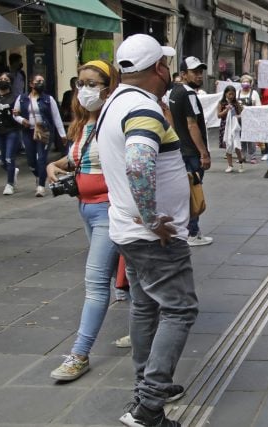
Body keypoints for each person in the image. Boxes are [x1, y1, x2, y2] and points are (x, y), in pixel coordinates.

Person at [96, 33, 198, 426]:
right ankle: (148, 407)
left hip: (127, 230)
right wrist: (153, 218)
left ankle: (146, 384)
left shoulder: (114, 103)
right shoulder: (142, 109)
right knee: (180, 308)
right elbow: (139, 164)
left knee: (145, 306)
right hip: (154, 237)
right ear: (159, 68)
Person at [46, 60, 122, 381]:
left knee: (95, 283)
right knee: (122, 273)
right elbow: (78, 159)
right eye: (81, 83)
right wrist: (55, 165)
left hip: (108, 210)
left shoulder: (113, 121)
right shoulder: (82, 125)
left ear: (108, 86)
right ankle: (146, 323)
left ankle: (79, 354)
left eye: (93, 83)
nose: (85, 90)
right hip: (86, 209)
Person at [168, 56, 213, 247]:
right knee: (193, 191)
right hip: (191, 152)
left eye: (200, 72)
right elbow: (192, 124)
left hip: (179, 150)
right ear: (183, 74)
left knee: (183, 192)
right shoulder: (189, 95)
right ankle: (192, 232)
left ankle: (183, 230)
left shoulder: (173, 92)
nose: (199, 75)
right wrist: (203, 153)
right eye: (195, 72)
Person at [13, 74, 67, 197]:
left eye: (42, 81)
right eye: (38, 81)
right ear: (31, 84)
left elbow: (56, 117)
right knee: (31, 160)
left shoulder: (49, 99)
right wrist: (22, 120)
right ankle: (39, 175)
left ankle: (41, 186)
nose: (41, 83)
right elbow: (15, 114)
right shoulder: (22, 99)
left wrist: (62, 134)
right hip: (28, 132)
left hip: (45, 132)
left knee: (41, 158)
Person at [0, 72, 20, 195]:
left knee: (9, 157)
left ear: (10, 82)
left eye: (6, 79)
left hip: (11, 131)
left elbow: (21, 112)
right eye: (1, 79)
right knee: (1, 160)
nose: (3, 81)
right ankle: (12, 171)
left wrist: (18, 113)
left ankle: (10, 184)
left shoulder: (15, 98)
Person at [217, 85, 244, 173]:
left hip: (234, 126)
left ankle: (240, 163)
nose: (231, 96)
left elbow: (241, 115)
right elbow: (218, 115)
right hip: (225, 126)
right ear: (225, 94)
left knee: (237, 146)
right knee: (228, 146)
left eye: (233, 94)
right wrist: (226, 110)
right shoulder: (221, 103)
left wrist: (236, 116)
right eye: (229, 94)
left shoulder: (236, 103)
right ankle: (230, 165)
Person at [236, 75, 261, 163]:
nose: (245, 83)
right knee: (241, 137)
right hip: (239, 120)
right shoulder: (237, 93)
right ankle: (242, 156)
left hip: (251, 119)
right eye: (243, 81)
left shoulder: (254, 94)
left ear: (250, 83)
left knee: (251, 138)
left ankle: (252, 156)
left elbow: (259, 106)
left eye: (247, 82)